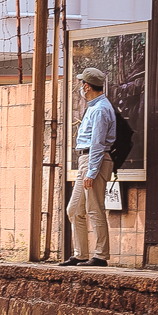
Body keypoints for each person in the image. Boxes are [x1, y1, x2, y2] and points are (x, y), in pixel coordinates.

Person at [61, 67, 116, 267]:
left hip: (95, 161)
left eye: (81, 85)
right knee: (74, 209)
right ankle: (81, 254)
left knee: (94, 209)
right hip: (87, 160)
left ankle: (101, 256)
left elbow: (98, 143)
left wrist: (91, 172)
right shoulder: (94, 107)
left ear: (86, 86)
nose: (80, 89)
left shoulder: (100, 109)